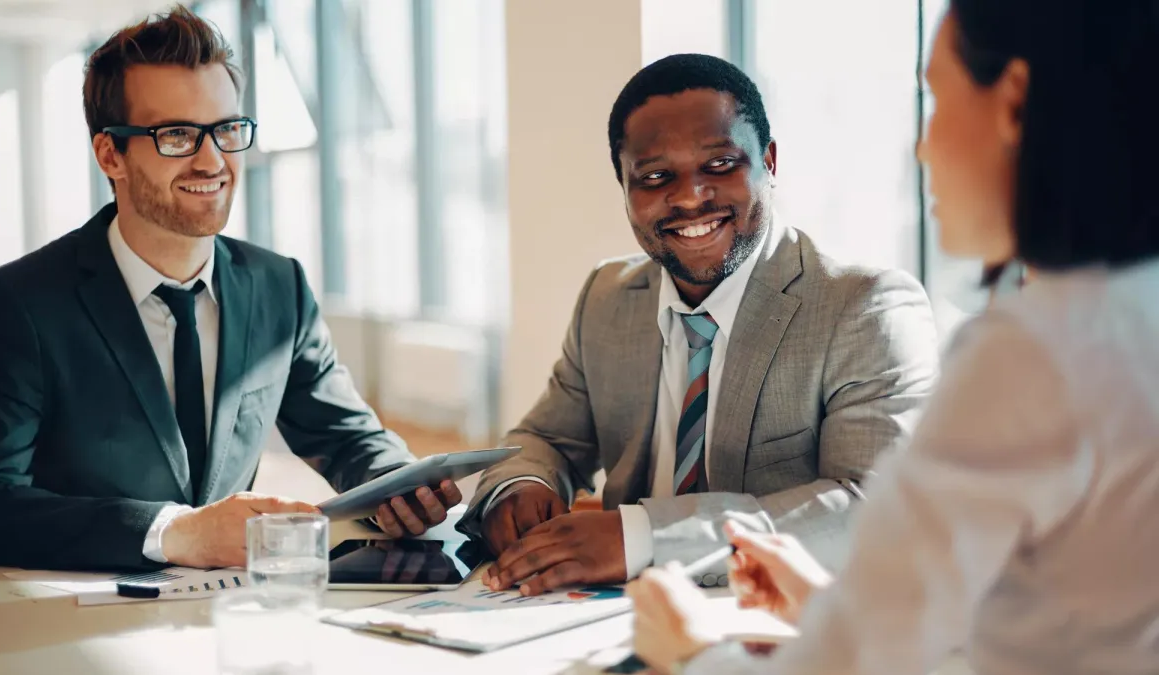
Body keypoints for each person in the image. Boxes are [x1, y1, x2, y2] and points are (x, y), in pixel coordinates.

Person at [628, 1, 1159, 673]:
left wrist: (695, 647)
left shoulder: (1032, 356)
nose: (923, 145)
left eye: (935, 101)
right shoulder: (1129, 318)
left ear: (1013, 105)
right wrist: (834, 608)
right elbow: (1064, 621)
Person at [0, 6, 459, 572]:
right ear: (109, 155)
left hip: (229, 619)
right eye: (176, 134)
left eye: (225, 129)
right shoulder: (20, 304)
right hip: (74, 624)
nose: (212, 159)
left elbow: (346, 436)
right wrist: (178, 533)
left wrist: (399, 482)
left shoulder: (279, 287)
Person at [462, 54, 940, 597]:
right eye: (656, 177)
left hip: (782, 626)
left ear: (770, 161)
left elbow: (870, 511)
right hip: (609, 615)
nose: (690, 197)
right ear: (623, 186)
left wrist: (643, 539)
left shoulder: (865, 308)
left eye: (719, 166)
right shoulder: (607, 297)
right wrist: (522, 484)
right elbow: (545, 438)